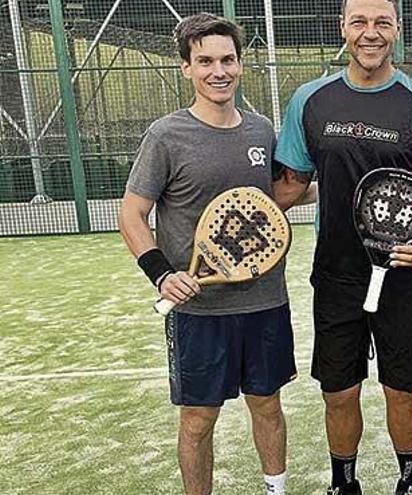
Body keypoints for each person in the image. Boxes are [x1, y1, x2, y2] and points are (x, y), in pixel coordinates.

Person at [272, 0, 412, 493]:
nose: (370, 33)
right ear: (343, 28)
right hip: (336, 277)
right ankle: (345, 483)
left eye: (382, 22)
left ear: (397, 29)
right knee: (339, 392)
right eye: (359, 21)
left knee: (402, 390)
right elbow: (291, 183)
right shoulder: (310, 101)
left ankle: (410, 481)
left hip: (402, 275)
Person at [118, 14, 295, 495]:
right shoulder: (165, 136)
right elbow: (132, 215)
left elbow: (273, 199)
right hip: (198, 310)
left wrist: (339, 179)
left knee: (268, 405)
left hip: (265, 301)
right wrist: (161, 274)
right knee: (198, 419)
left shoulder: (261, 131)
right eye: (206, 61)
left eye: (228, 59)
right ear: (187, 69)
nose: (219, 71)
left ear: (240, 64)